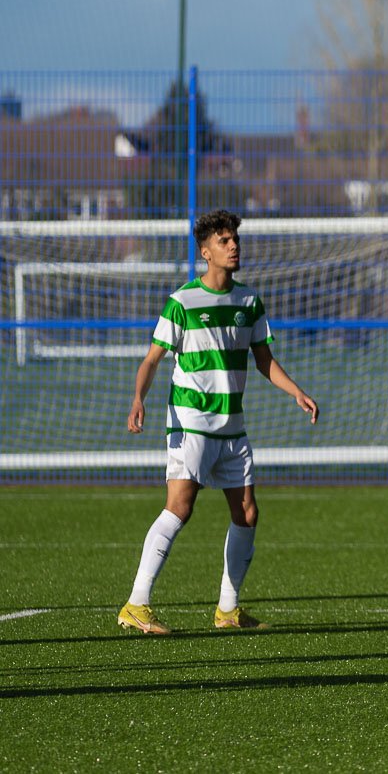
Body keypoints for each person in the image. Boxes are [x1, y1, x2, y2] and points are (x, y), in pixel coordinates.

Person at [118, 209, 319, 634]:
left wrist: (296, 390)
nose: (234, 247)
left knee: (246, 512)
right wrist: (139, 398)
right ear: (205, 251)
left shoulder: (249, 301)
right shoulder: (182, 302)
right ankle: (136, 604)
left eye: (235, 240)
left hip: (232, 426)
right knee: (180, 507)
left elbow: (264, 360)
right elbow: (152, 358)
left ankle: (228, 611)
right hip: (191, 422)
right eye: (225, 242)